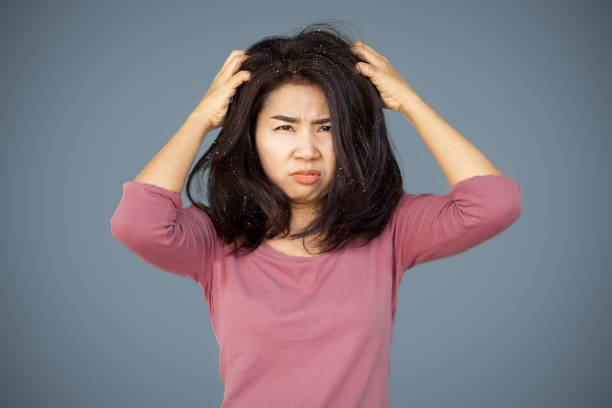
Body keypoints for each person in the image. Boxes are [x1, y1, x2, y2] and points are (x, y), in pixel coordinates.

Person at [110, 23, 522, 408]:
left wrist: (409, 103)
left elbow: (494, 204)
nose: (306, 149)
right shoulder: (216, 238)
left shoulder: (390, 228)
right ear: (251, 137)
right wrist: (201, 119)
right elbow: (137, 223)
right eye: (285, 128)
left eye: (326, 127)